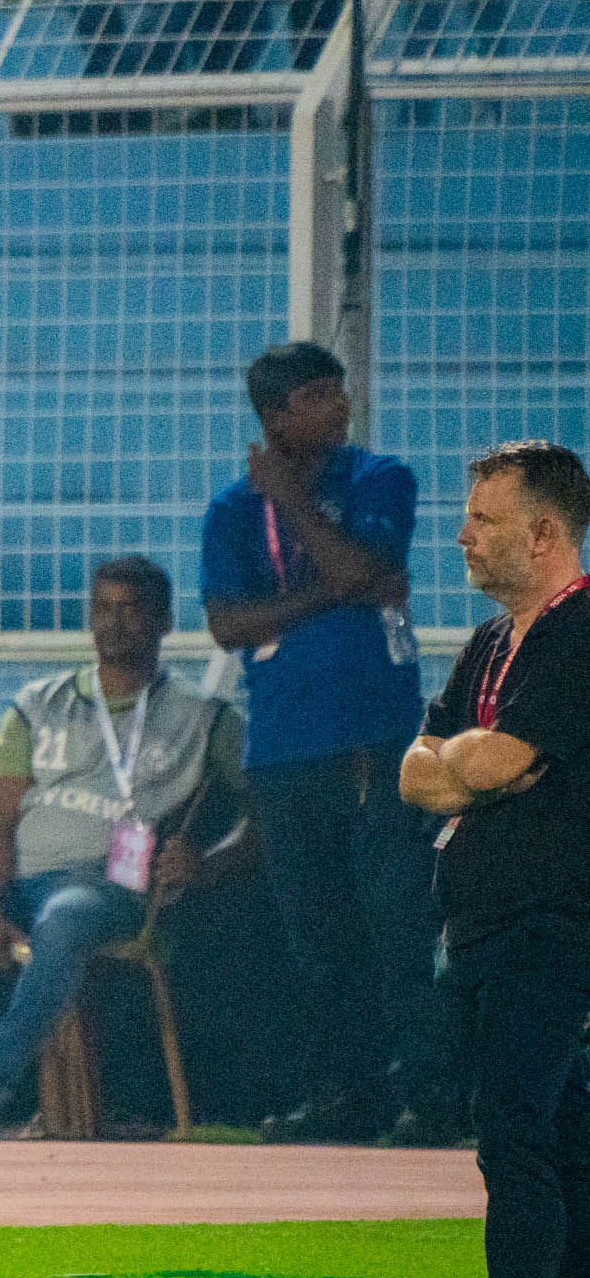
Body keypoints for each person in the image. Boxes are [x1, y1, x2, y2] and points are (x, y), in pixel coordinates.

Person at [0, 557, 254, 1138]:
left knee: (63, 919)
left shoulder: (204, 716)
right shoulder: (37, 703)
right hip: (16, 875)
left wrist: (206, 865)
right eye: (102, 609)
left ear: (164, 620)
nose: (114, 623)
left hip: (105, 884)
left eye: (131, 610)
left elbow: (266, 818)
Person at [202, 340, 448, 1144]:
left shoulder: (380, 478)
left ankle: (429, 1097)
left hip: (373, 738)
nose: (338, 404)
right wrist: (335, 590)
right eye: (315, 395)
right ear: (273, 416)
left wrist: (296, 504)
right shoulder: (232, 511)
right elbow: (227, 623)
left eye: (338, 389)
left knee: (398, 924)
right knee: (317, 936)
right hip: (282, 750)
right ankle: (345, 1095)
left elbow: (359, 568)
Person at [398, 440, 590, 1278]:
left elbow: (494, 759)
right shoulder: (489, 641)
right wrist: (472, 764)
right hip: (482, 924)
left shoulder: (579, 632)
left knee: (513, 1131)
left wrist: (470, 764)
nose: (462, 535)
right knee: (562, 1129)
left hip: (550, 924)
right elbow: (419, 771)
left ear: (544, 532)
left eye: (484, 518)